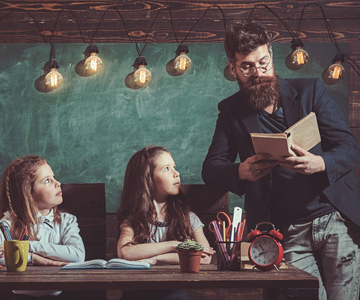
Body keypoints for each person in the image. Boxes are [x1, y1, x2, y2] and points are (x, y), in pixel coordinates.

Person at [202, 19, 360, 300]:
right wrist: (242, 170)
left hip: (333, 216)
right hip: (282, 230)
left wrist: (320, 163)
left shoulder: (310, 90)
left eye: (263, 62)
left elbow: (349, 147)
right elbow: (211, 169)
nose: (258, 72)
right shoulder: (230, 110)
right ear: (233, 68)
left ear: (271, 56)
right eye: (247, 66)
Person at [117, 146, 214, 300]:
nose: (177, 173)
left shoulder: (188, 217)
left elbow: (204, 258)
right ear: (147, 178)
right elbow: (125, 253)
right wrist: (174, 245)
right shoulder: (133, 218)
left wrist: (157, 258)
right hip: (137, 292)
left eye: (174, 167)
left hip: (173, 294)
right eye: (167, 169)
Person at [0, 155, 85, 299]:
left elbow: (77, 256)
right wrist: (34, 259)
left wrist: (28, 246)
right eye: (47, 181)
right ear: (28, 193)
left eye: (54, 177)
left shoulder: (67, 221)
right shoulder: (8, 224)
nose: (58, 183)